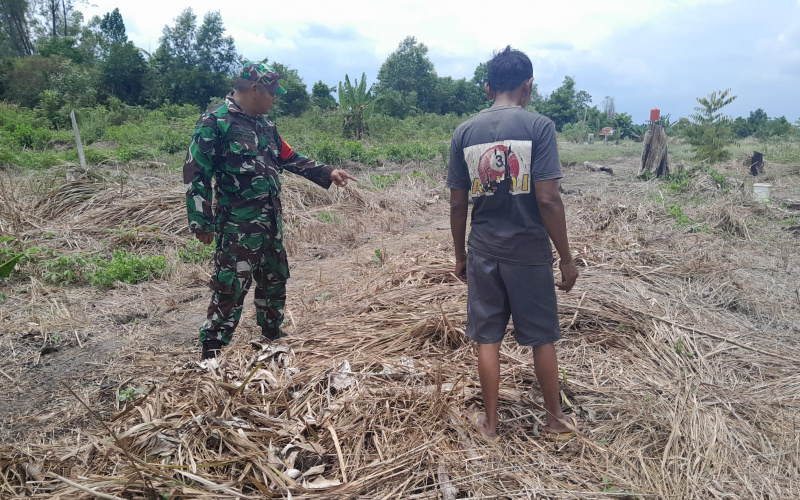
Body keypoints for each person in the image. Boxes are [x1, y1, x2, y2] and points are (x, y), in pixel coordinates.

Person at [447, 47, 580, 439]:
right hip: (528, 252)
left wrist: (460, 256)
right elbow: (548, 199)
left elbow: (457, 204)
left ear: (488, 88)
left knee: (487, 338)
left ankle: (490, 424)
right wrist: (566, 258)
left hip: (483, 250)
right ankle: (554, 420)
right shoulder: (539, 127)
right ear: (528, 86)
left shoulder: (464, 133)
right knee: (542, 337)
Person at [184, 61, 357, 360]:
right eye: (272, 93)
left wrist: (326, 172)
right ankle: (212, 349)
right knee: (231, 284)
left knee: (274, 277)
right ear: (254, 89)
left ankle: (272, 333)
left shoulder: (266, 126)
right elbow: (195, 170)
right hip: (237, 225)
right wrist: (201, 220)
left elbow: (289, 157)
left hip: (271, 221)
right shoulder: (215, 121)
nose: (275, 99)